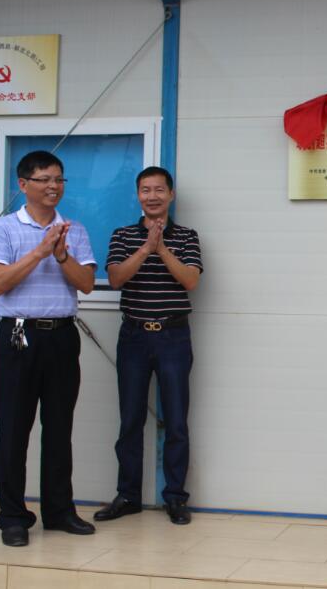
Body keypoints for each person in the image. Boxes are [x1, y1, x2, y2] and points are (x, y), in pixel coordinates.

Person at [0, 150, 97, 547]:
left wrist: (61, 253)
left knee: (59, 428)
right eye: (45, 179)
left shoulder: (74, 230)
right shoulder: (2, 228)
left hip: (62, 337)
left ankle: (59, 511)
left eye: (59, 179)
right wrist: (39, 252)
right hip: (18, 337)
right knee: (13, 430)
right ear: (23, 184)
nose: (53, 186)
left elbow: (86, 284)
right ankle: (13, 517)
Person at [94, 166, 202, 526]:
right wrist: (145, 248)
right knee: (130, 420)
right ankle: (128, 496)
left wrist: (162, 248)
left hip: (173, 337)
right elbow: (115, 279)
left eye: (159, 189)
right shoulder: (123, 235)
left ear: (171, 194)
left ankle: (175, 498)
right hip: (134, 338)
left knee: (176, 421)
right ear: (138, 195)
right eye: (145, 190)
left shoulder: (187, 236)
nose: (152, 196)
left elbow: (190, 280)